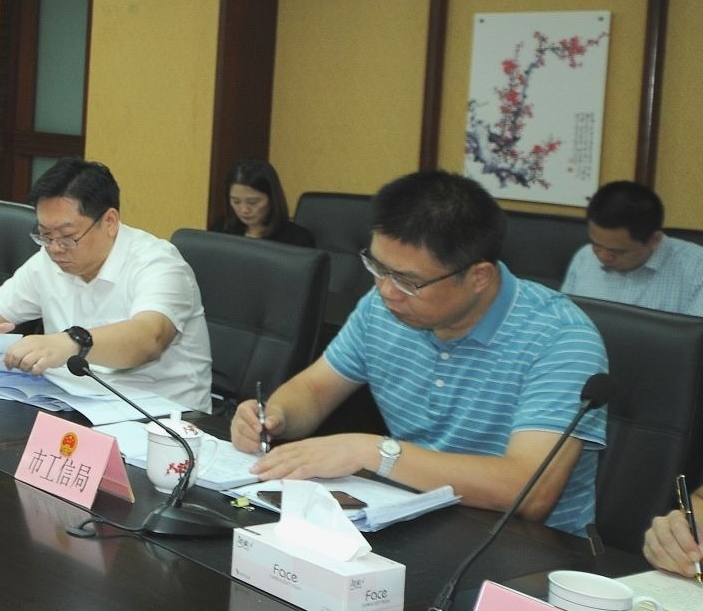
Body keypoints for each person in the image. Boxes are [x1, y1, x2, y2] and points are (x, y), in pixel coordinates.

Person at [230, 169, 608, 534]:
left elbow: (530, 491)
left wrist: (375, 452)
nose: (386, 291)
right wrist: (275, 416)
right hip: (412, 518)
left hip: (529, 548)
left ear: (479, 277)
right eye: (378, 267)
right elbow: (314, 390)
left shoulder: (560, 337)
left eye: (408, 281)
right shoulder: (382, 308)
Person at [0, 158, 213, 410]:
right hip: (75, 404)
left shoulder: (158, 264)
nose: (55, 248)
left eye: (68, 236)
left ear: (110, 222)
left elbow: (149, 339)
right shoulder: (47, 260)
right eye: (45, 234)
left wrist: (72, 343)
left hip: (161, 417)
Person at [561, 180, 703, 317]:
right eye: (596, 244)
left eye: (617, 251)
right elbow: (563, 318)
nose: (602, 256)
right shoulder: (584, 257)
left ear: (655, 240)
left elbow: (695, 333)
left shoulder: (697, 270)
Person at [210, 158, 314, 246]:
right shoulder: (221, 229)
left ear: (272, 199)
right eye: (236, 201)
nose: (244, 210)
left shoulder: (297, 239)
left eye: (253, 202)